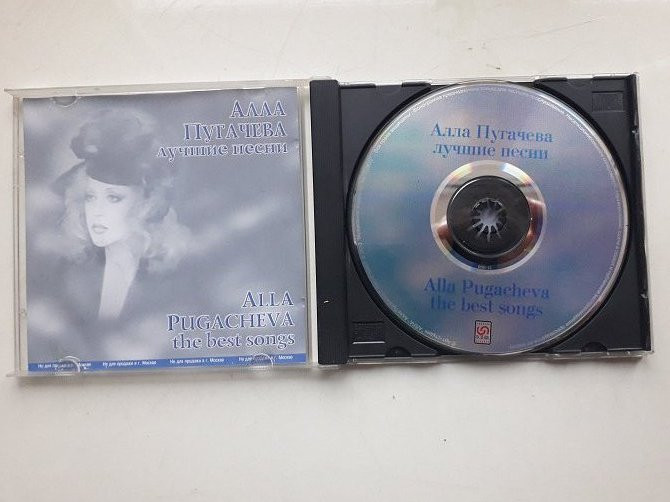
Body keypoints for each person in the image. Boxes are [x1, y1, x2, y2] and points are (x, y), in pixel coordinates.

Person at [54, 109, 189, 322]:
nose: (97, 211)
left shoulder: (171, 281)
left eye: (114, 198)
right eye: (90, 197)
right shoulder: (69, 274)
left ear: (146, 203)